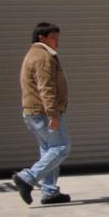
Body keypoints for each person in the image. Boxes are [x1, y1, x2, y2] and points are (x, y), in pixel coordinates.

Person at [11, 22, 73, 205]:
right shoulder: (43, 56)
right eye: (53, 37)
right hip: (43, 112)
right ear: (41, 37)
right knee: (61, 147)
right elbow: (46, 87)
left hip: (34, 111)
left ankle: (49, 191)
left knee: (48, 150)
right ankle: (27, 178)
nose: (57, 42)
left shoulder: (34, 54)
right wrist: (52, 114)